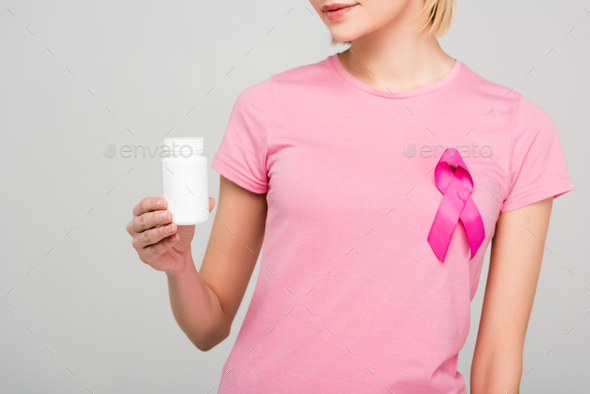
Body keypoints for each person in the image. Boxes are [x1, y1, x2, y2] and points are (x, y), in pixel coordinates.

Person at [126, 0, 574, 392]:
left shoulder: (519, 130)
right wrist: (179, 264)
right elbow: (208, 326)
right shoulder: (267, 107)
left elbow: (498, 361)